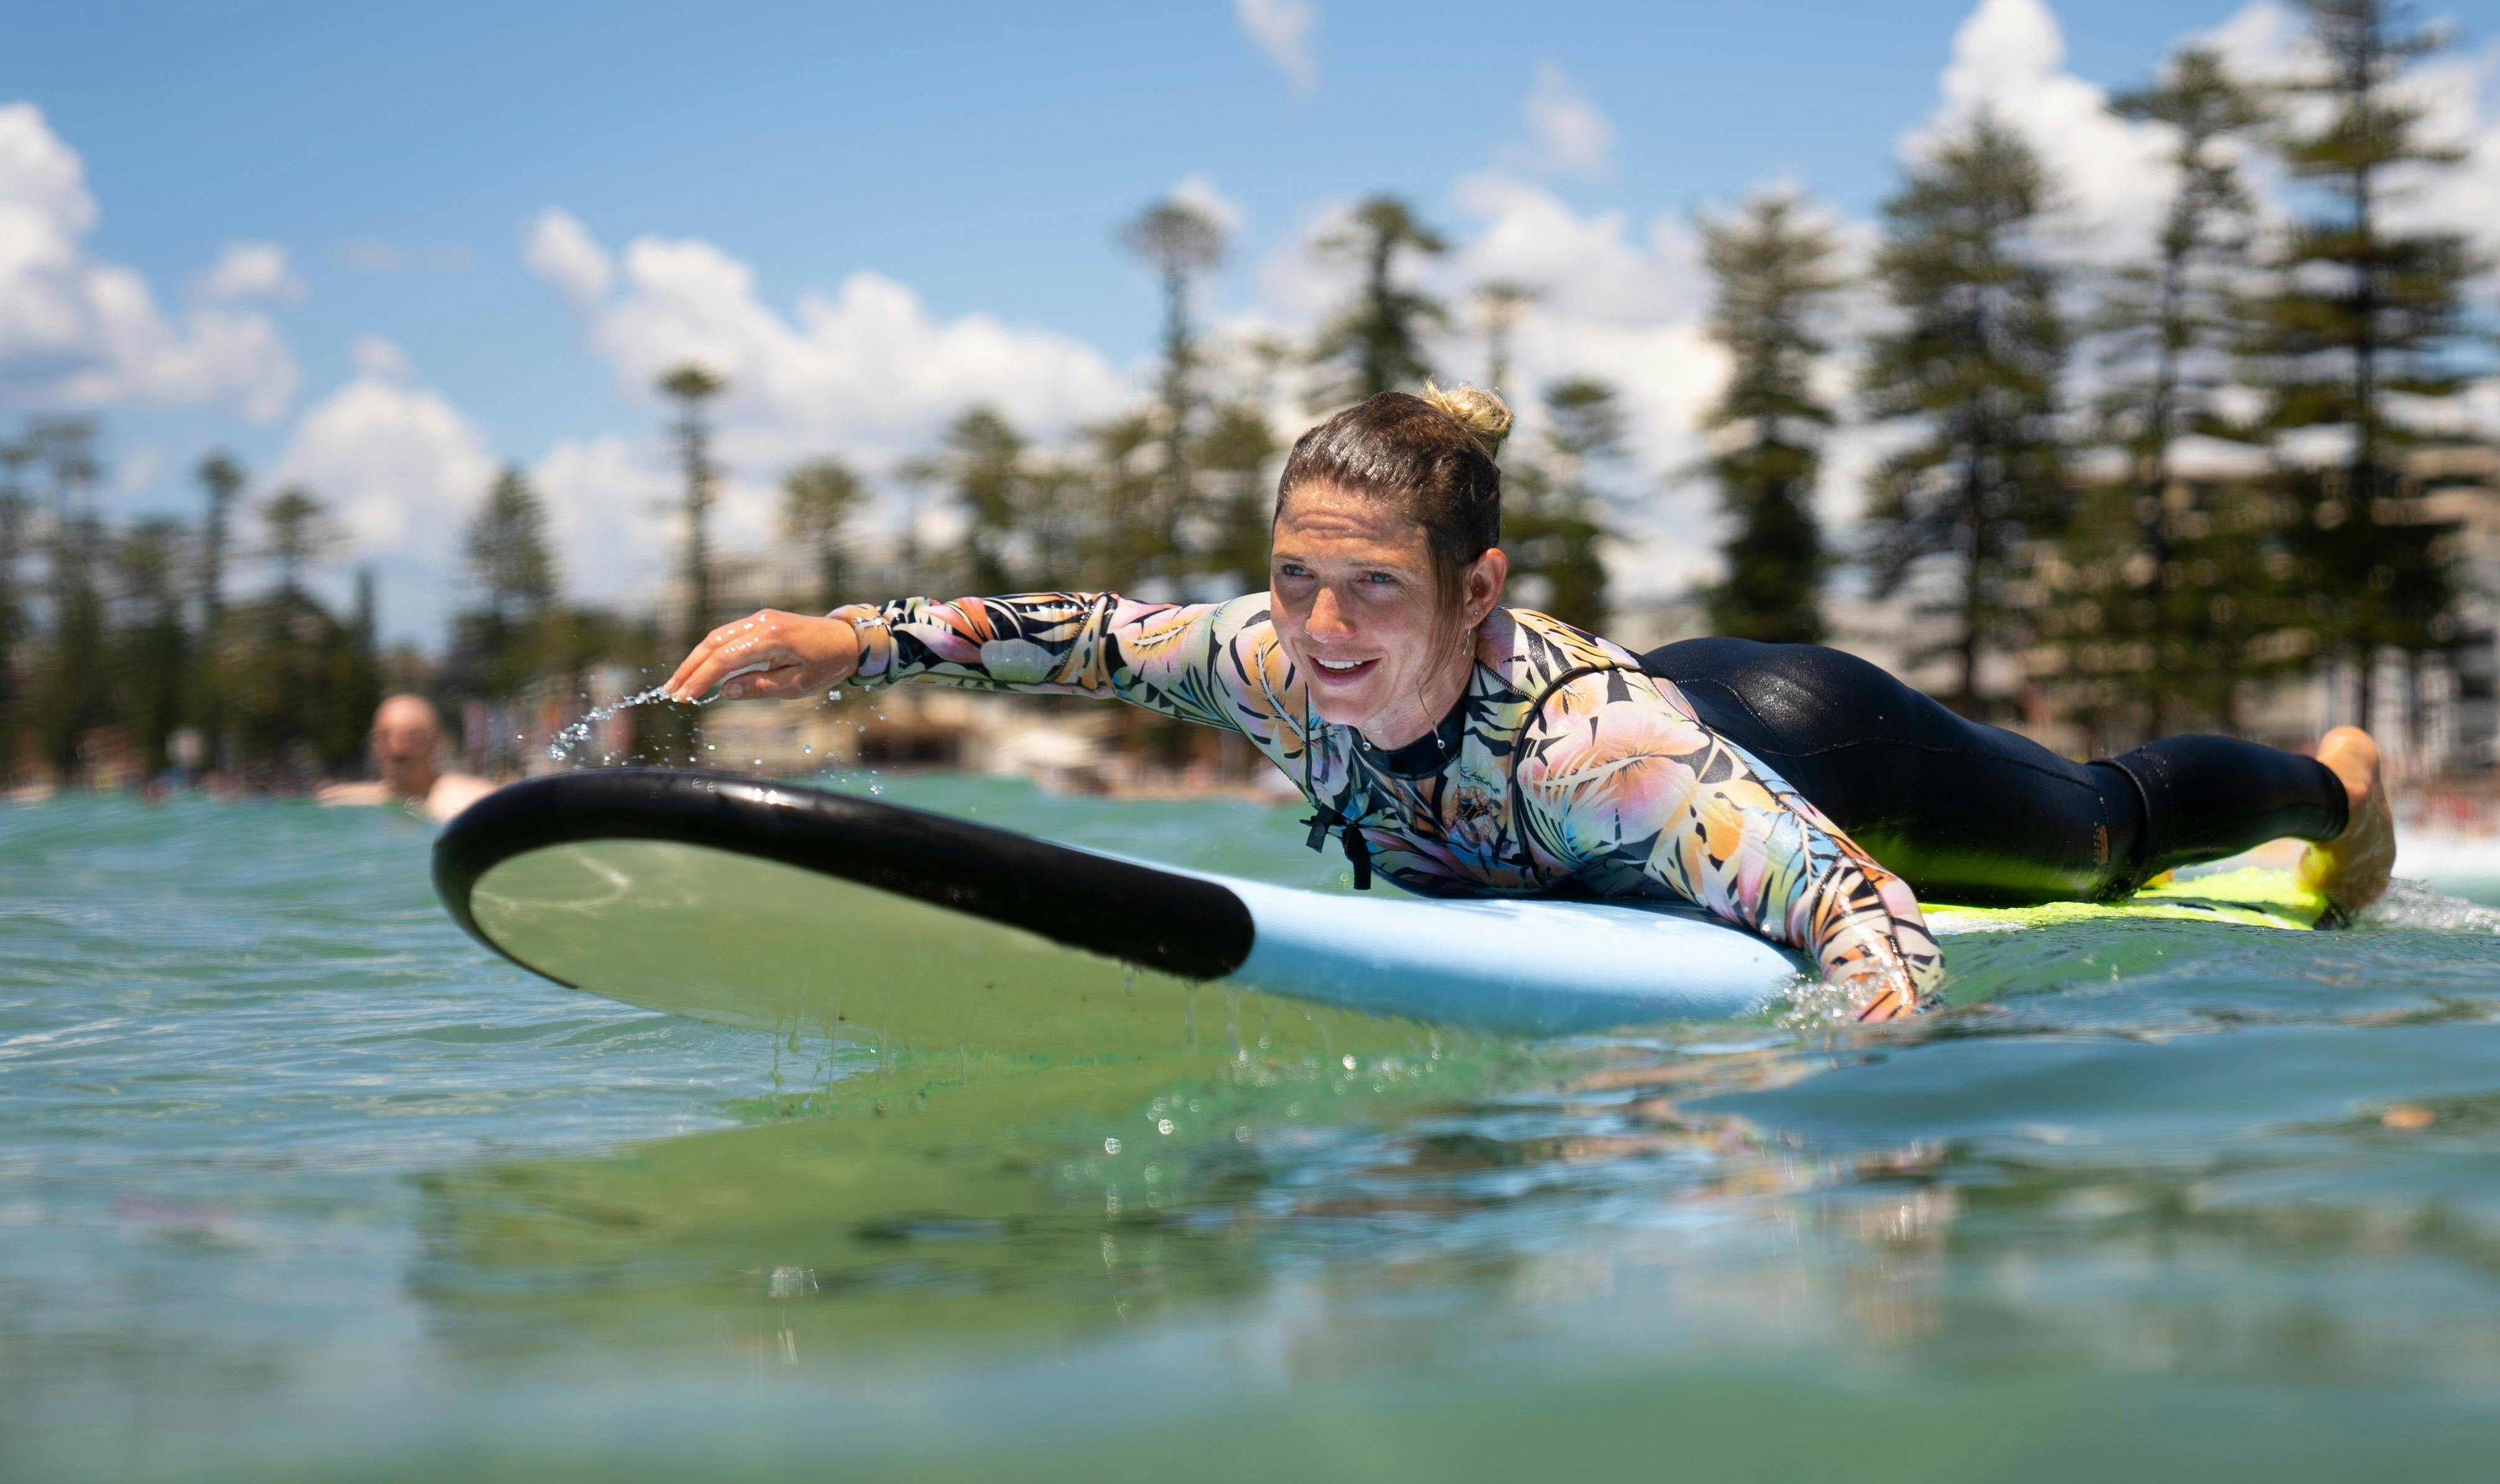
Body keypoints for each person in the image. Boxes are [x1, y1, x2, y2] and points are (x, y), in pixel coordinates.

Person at [661, 387, 2394, 1021]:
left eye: (1376, 590)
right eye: (1294, 578)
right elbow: (1092, 637)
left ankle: (2332, 785)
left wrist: (1863, 1123)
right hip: (1656, 766)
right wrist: (855, 635)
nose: (1324, 632)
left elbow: (1867, 915)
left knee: (2091, 834)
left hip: (1802, 744)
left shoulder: (1604, 763)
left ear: (1477, 594)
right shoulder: (1272, 658)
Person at [317, 694, 499, 823]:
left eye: (410, 737)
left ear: (434, 742)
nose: (396, 748)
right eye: (385, 736)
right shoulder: (350, 801)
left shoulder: (473, 801)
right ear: (374, 743)